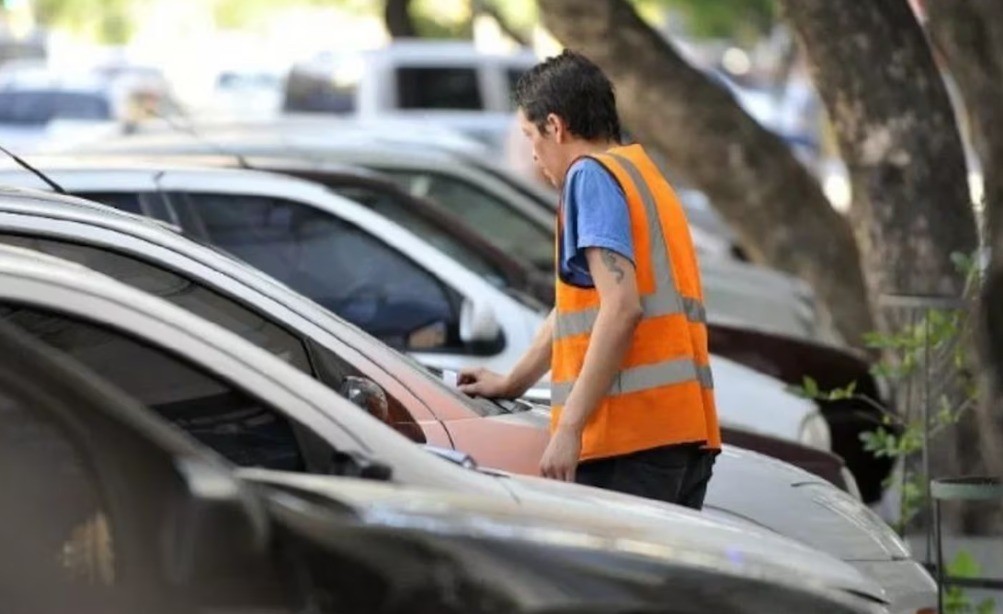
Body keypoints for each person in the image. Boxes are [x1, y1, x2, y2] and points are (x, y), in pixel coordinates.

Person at [458, 50, 721, 509]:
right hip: (680, 435)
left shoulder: (589, 177)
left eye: (530, 136)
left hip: (628, 444)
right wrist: (514, 382)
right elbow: (585, 306)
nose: (534, 154)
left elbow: (621, 308)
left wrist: (569, 429)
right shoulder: (641, 172)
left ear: (556, 127)